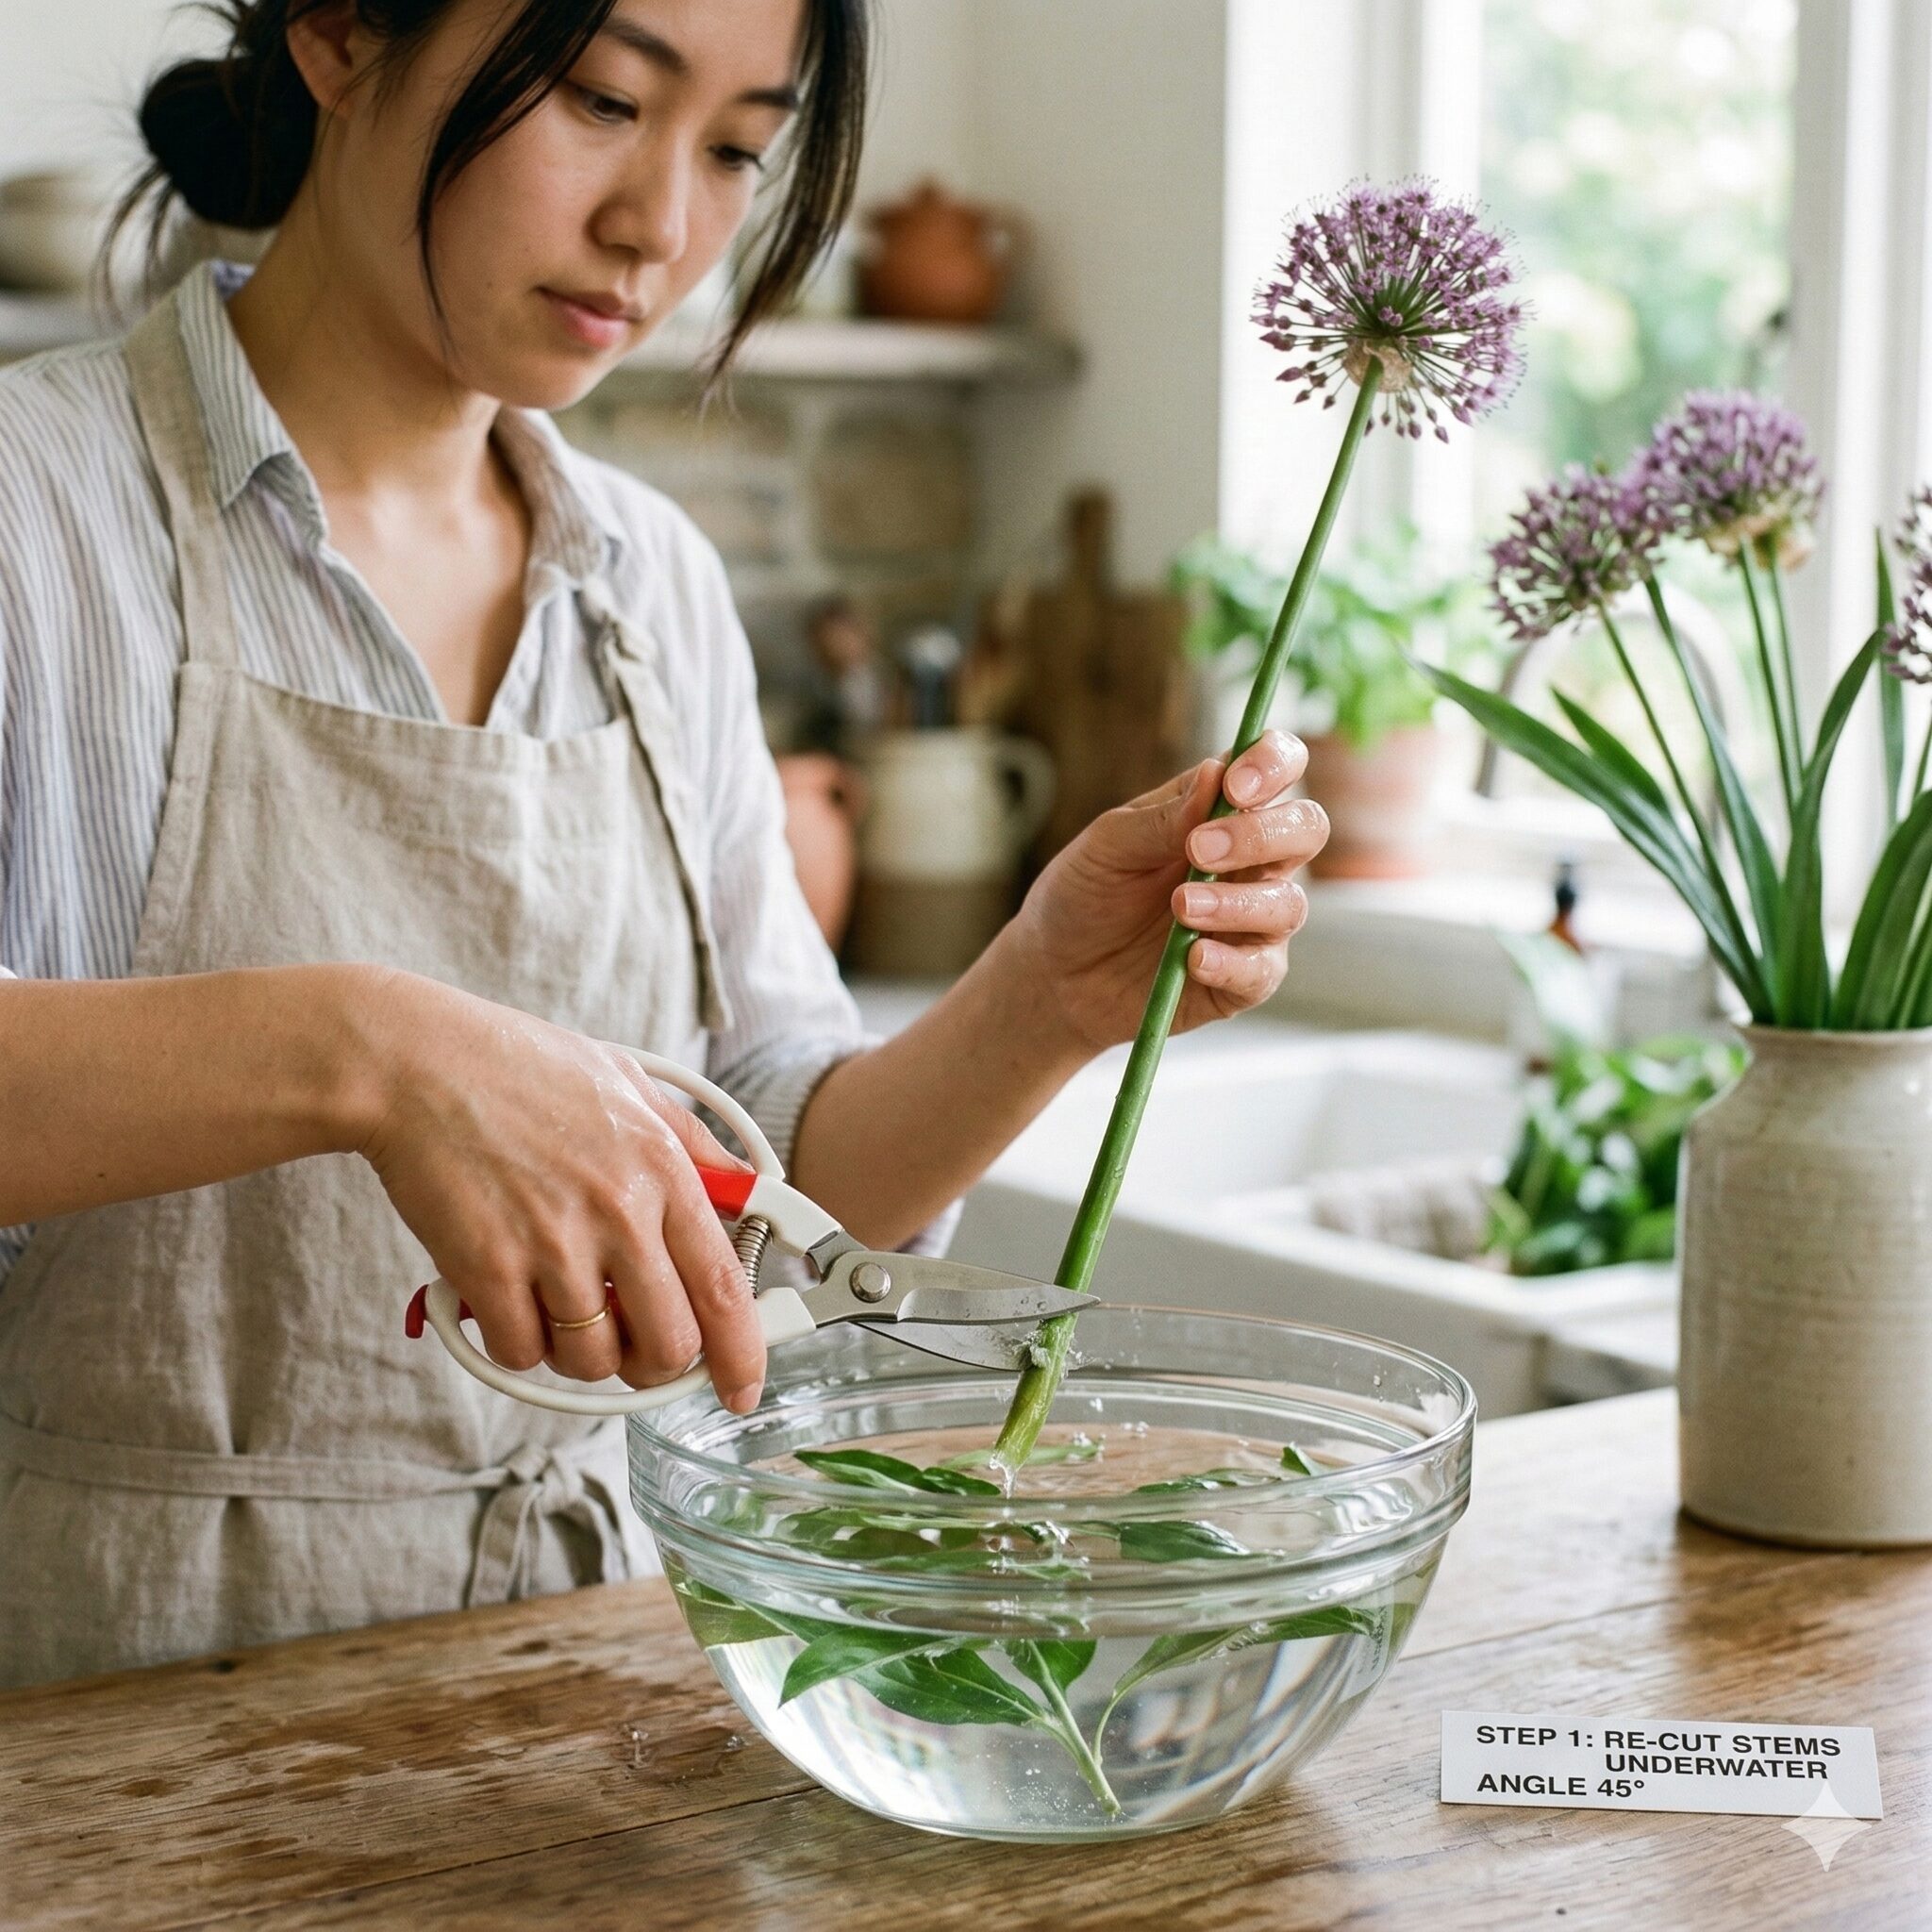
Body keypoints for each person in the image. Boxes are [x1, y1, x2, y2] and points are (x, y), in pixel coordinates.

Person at [0, 0, 1327, 1688]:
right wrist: (368, 1051)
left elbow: (773, 1199)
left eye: (737, 150)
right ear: (341, 33)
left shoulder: (654, 587)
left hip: (594, 1683)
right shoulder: (34, 513)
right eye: (602, 100)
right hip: (105, 1705)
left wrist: (1047, 998)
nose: (662, 228)